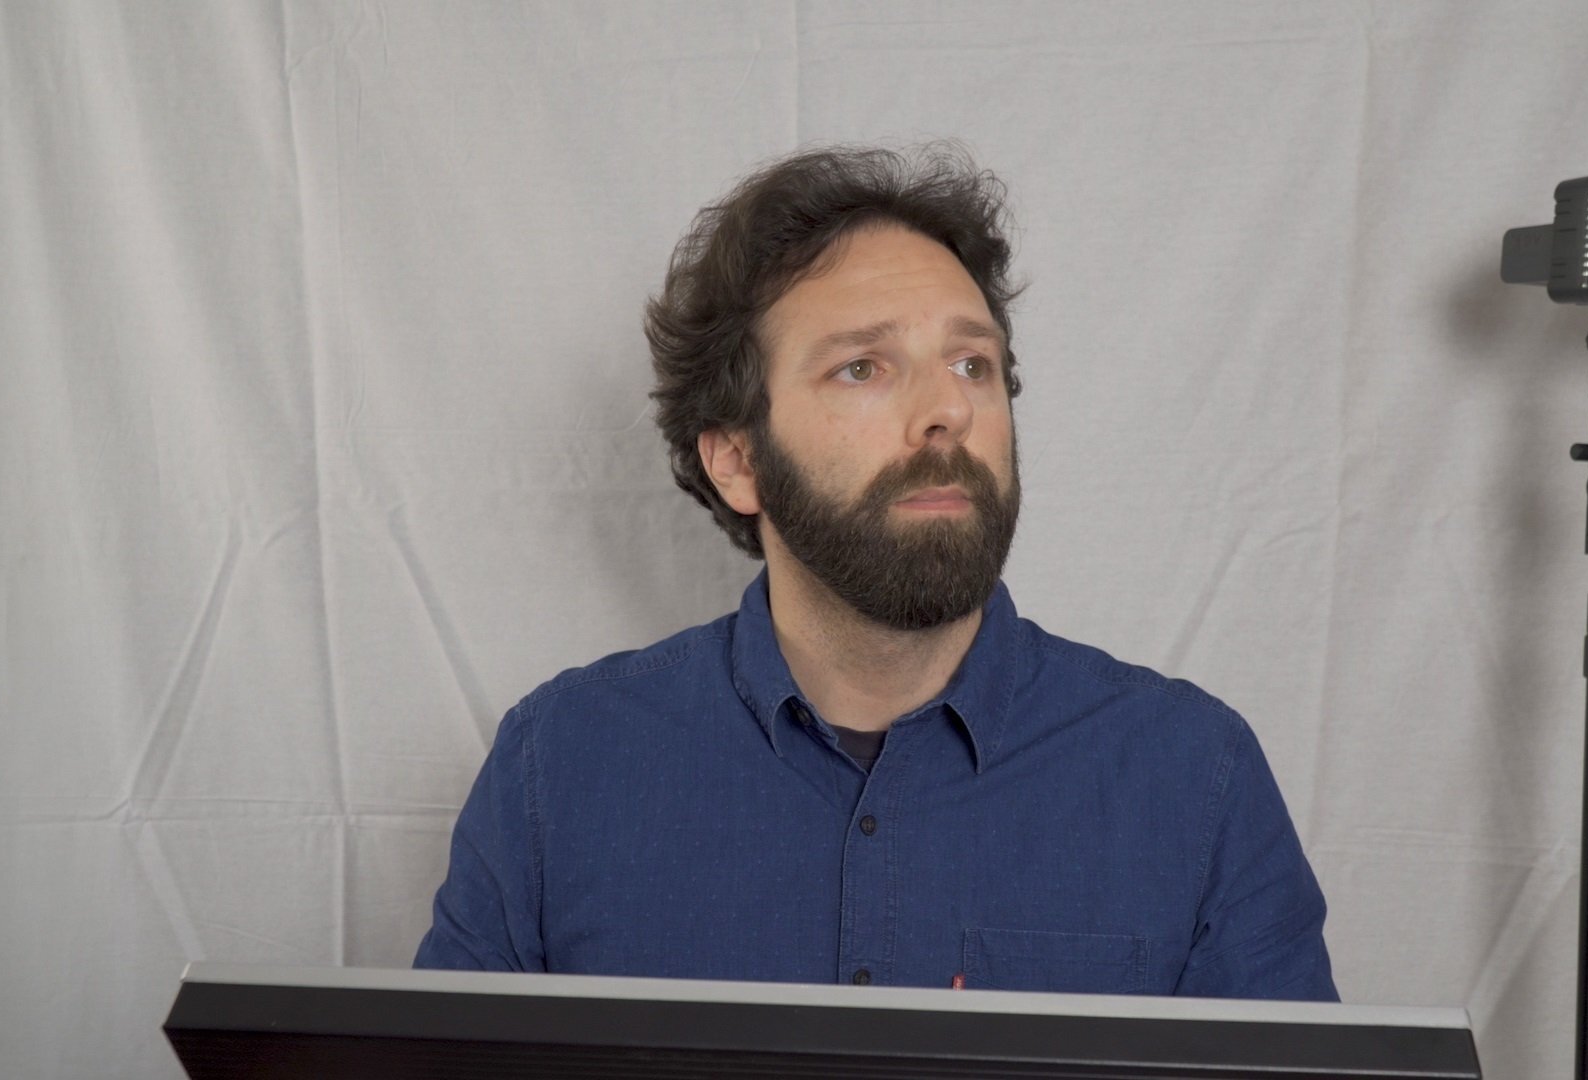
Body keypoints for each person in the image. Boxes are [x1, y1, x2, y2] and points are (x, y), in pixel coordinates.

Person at [413, 143, 1336, 1000]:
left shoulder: (1194, 777)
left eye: (971, 364)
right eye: (863, 368)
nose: (947, 411)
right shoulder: (558, 769)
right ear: (736, 459)